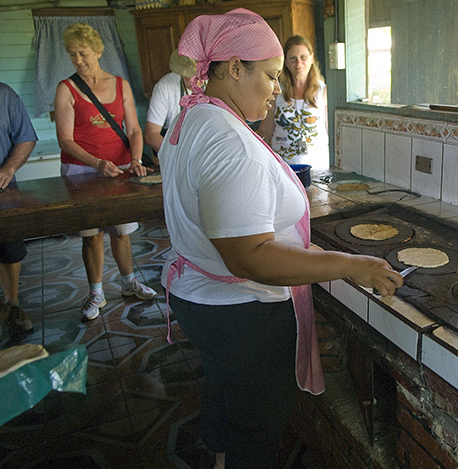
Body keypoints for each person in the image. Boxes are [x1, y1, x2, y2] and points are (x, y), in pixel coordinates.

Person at [159, 10, 402, 468]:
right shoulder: (228, 141)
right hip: (241, 316)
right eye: (271, 75)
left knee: (227, 398)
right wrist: (352, 265)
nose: (277, 86)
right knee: (257, 429)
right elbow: (249, 258)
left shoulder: (190, 118)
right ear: (234, 67)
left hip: (200, 300)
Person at [53, 23, 156, 322]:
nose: (78, 60)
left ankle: (128, 283)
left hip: (121, 168)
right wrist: (96, 162)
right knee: (91, 235)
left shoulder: (120, 84)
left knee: (122, 232)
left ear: (98, 51)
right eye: (72, 55)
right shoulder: (67, 88)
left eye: (83, 53)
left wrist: (135, 158)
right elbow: (65, 139)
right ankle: (96, 292)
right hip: (81, 171)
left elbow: (134, 129)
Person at [0, 71, 37, 346]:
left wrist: (9, 168)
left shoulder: (4, 95)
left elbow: (25, 137)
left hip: (1, 190)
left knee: (9, 250)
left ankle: (12, 304)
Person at [258, 35, 329, 169]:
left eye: (303, 57)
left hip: (317, 168)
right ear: (285, 61)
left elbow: (331, 132)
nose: (298, 63)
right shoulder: (276, 91)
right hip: (282, 167)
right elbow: (266, 131)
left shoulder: (323, 92)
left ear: (312, 58)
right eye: (293, 58)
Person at [144, 49, 197, 165]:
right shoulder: (164, 87)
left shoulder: (215, 83)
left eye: (199, 75)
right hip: (175, 152)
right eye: (189, 76)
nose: (195, 81)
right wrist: (177, 157)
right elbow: (151, 134)